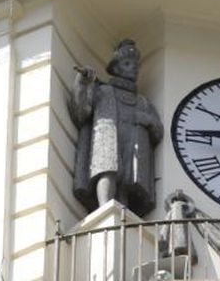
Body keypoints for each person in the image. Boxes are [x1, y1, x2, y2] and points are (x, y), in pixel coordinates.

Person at [69, 39, 163, 216]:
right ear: (116, 69)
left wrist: (147, 120)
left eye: (136, 65)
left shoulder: (142, 102)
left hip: (133, 143)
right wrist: (84, 83)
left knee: (128, 179)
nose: (133, 69)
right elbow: (82, 112)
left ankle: (123, 212)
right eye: (127, 64)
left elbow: (158, 132)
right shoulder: (103, 91)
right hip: (107, 138)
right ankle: (105, 209)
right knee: (108, 171)